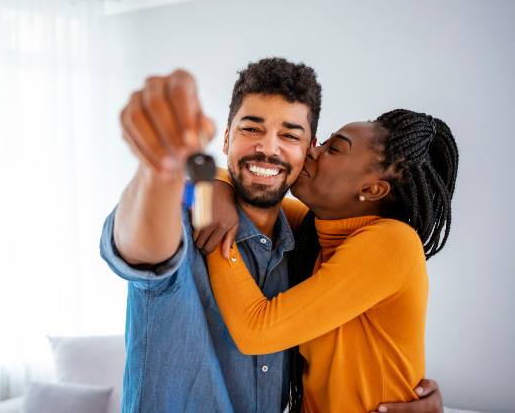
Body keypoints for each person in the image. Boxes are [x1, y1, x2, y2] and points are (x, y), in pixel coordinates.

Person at [100, 58, 443, 412]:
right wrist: (178, 174)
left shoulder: (367, 241)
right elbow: (138, 242)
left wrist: (211, 203)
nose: (271, 148)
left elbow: (258, 331)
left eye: (292, 136)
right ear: (227, 137)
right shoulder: (298, 231)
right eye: (251, 129)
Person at [203, 109, 458, 411]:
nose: (312, 148)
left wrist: (216, 230)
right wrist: (218, 191)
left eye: (334, 148)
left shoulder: (393, 242)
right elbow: (236, 191)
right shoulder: (318, 233)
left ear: (372, 189)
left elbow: (256, 331)